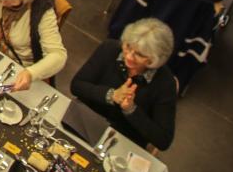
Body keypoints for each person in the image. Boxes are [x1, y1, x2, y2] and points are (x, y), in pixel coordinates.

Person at [71, 19, 177, 151]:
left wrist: (131, 110)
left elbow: (163, 140)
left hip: (121, 142)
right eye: (128, 46)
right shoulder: (109, 48)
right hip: (84, 121)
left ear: (155, 59)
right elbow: (77, 85)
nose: (129, 56)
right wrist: (111, 95)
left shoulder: (165, 83)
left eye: (139, 54)